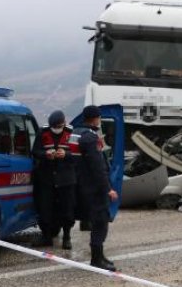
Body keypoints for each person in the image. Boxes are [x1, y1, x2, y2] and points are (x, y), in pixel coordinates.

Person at [72, 105, 119, 271]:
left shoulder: (75, 133)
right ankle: (97, 259)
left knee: (96, 220)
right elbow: (97, 167)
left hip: (80, 185)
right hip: (94, 188)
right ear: (95, 118)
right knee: (100, 221)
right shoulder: (90, 138)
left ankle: (99, 257)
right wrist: (108, 188)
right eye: (98, 117)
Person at [31, 111, 76, 250]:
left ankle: (67, 237)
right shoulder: (43, 132)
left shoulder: (72, 133)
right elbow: (35, 151)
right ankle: (46, 236)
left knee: (67, 208)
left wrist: (66, 154)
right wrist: (45, 154)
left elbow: (77, 154)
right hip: (47, 178)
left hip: (66, 179)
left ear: (64, 123)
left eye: (58, 126)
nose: (55, 128)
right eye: (53, 126)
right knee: (45, 207)